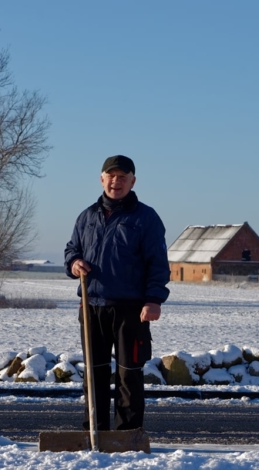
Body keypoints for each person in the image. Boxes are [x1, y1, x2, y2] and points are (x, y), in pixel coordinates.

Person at [64, 155, 170, 431]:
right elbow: (71, 249)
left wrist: (153, 300)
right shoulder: (87, 216)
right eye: (111, 176)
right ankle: (94, 431)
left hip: (131, 310)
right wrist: (74, 263)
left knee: (128, 375)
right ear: (102, 179)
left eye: (123, 177)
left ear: (133, 181)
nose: (116, 181)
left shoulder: (146, 218)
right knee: (94, 375)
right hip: (92, 307)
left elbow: (158, 263)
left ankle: (127, 436)